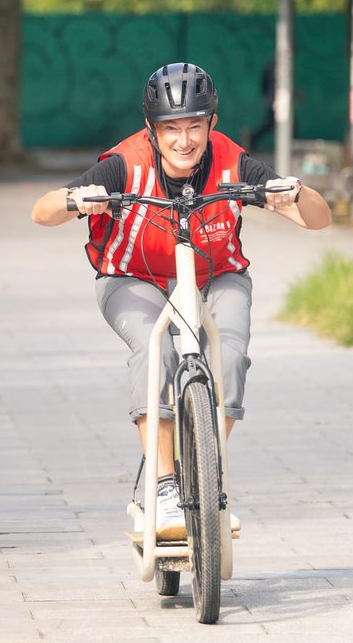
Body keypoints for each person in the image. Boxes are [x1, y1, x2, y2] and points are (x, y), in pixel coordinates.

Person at [31, 62, 331, 538]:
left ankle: (205, 477)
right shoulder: (124, 164)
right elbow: (41, 211)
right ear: (152, 128)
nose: (184, 140)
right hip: (133, 279)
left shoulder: (233, 162)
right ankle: (164, 484)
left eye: (195, 125)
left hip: (217, 276)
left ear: (211, 123)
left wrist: (292, 191)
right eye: (171, 128)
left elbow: (318, 219)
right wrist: (78, 199)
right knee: (157, 352)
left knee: (230, 357)